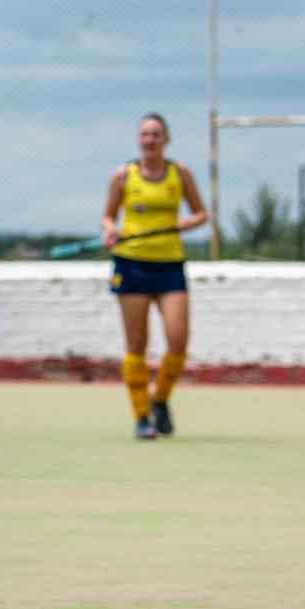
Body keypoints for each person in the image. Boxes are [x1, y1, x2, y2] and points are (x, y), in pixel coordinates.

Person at [100, 113, 209, 440]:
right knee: (137, 343)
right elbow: (108, 217)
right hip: (131, 263)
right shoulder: (123, 176)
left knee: (178, 339)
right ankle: (141, 416)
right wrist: (110, 231)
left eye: (156, 134)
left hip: (169, 265)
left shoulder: (180, 173)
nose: (150, 139)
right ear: (138, 139)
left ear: (166, 139)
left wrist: (186, 223)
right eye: (145, 134)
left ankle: (160, 400)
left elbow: (201, 213)